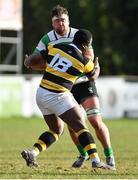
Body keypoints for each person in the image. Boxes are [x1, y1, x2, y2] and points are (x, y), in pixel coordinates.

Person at [27, 5, 115, 169]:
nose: (61, 24)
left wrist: (32, 63)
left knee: (92, 121)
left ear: (68, 20)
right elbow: (91, 70)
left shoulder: (60, 43)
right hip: (61, 90)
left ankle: (109, 157)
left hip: (62, 87)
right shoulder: (48, 39)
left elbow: (34, 60)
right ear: (52, 23)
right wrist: (95, 68)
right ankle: (91, 158)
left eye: (63, 20)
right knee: (77, 125)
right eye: (57, 21)